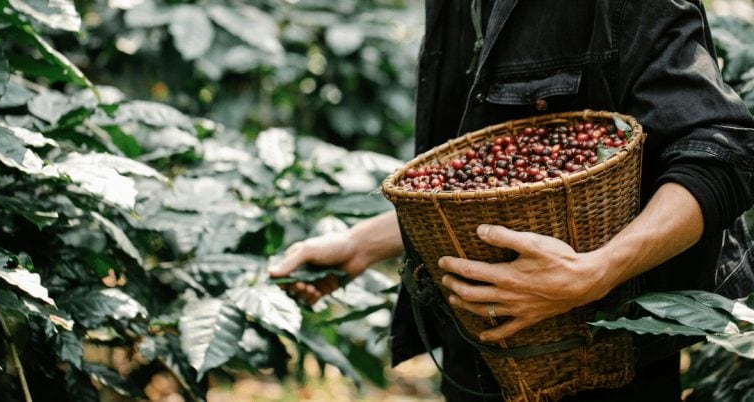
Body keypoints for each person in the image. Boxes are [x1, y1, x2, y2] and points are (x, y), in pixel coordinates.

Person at [270, 0, 754, 400]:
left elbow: (722, 155)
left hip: (599, 352)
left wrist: (597, 271)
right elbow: (479, 185)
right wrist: (359, 245)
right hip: (477, 346)